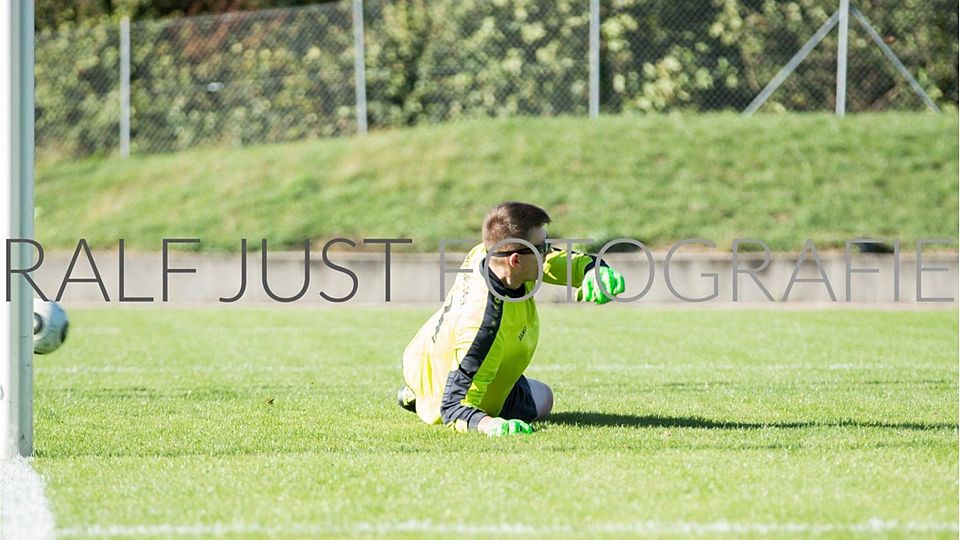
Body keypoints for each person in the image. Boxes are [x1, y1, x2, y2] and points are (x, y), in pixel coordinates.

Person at [398, 201, 626, 436]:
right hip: (446, 392)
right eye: (542, 247)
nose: (548, 253)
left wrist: (593, 270)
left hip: (420, 361)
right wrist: (491, 424)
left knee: (532, 387)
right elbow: (452, 408)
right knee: (543, 398)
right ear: (515, 260)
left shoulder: (486, 254)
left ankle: (417, 392)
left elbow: (555, 261)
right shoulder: (484, 326)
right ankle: (424, 399)